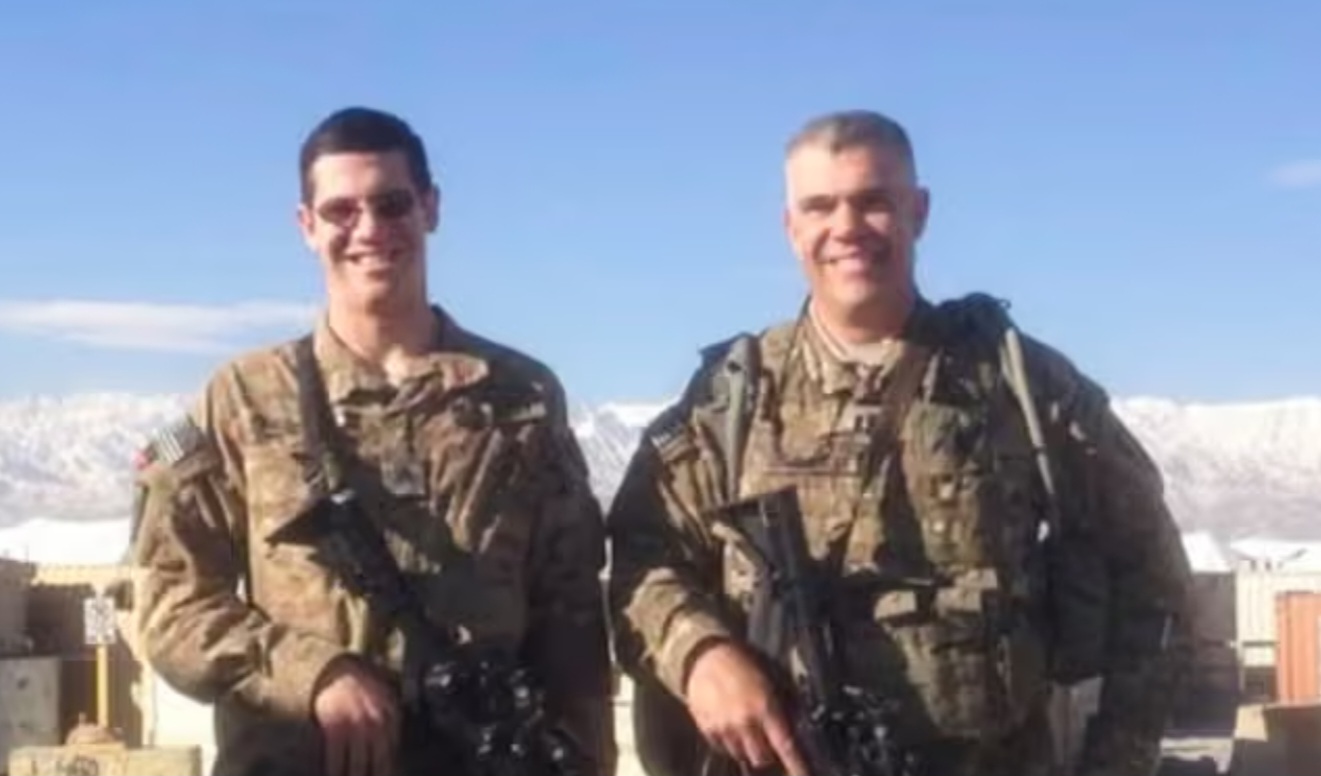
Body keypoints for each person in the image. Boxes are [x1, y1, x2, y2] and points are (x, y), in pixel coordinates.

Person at [606, 109, 1194, 776]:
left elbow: (1154, 583)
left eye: (873, 202)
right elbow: (640, 560)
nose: (846, 228)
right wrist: (700, 654)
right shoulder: (729, 399)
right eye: (820, 206)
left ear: (919, 212)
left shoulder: (1021, 384)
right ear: (791, 227)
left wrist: (1117, 759)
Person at [131, 106, 616, 776]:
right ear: (307, 226)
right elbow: (172, 604)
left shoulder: (520, 396)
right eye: (340, 211)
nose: (369, 229)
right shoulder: (244, 398)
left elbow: (571, 616)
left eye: (392, 204)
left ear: (430, 208)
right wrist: (312, 674)